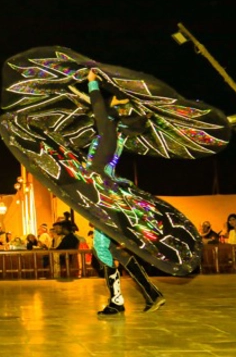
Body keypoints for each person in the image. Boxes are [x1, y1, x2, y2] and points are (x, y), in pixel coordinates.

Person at [86, 71, 165, 316]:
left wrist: (92, 84)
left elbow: (99, 108)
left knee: (101, 247)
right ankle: (150, 292)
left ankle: (118, 302)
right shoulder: (115, 134)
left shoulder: (109, 131)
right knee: (109, 249)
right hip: (107, 193)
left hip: (105, 194)